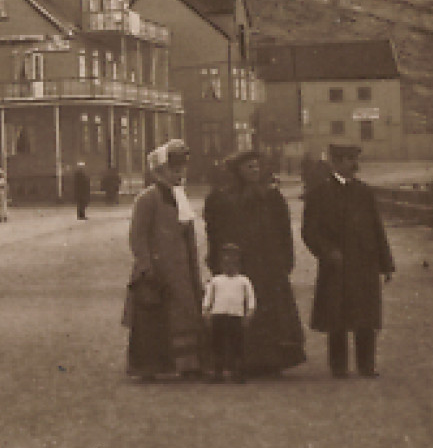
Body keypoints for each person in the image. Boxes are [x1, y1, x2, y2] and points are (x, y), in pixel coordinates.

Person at [203, 150, 306, 377]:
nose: (254, 171)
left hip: (269, 264)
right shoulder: (225, 198)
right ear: (238, 171)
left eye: (257, 166)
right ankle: (243, 360)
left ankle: (272, 360)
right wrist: (217, 260)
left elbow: (283, 231)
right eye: (249, 167)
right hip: (242, 263)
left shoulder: (271, 197)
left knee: (271, 311)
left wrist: (286, 258)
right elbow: (215, 232)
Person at [302, 144, 395, 378]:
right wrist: (327, 252)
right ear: (335, 162)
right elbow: (309, 231)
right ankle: (338, 365)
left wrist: (385, 264)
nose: (354, 165)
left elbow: (376, 228)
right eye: (348, 160)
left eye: (354, 159)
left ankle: (366, 365)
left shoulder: (364, 191)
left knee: (366, 316)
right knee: (337, 317)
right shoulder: (319, 193)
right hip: (337, 264)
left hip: (365, 262)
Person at [123, 139, 206, 380]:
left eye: (181, 168)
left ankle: (187, 364)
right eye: (174, 168)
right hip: (156, 270)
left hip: (180, 270)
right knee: (154, 318)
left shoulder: (180, 197)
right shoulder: (147, 199)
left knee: (185, 314)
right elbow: (138, 237)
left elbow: (188, 235)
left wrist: (192, 267)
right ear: (159, 170)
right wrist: (146, 267)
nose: (179, 173)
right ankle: (149, 366)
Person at [202, 242, 257, 382]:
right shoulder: (216, 280)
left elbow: (251, 299)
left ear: (238, 264)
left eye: (233, 263)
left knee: (236, 345)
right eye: (226, 263)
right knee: (217, 345)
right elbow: (208, 298)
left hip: (236, 317)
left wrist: (249, 313)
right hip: (218, 316)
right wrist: (206, 312)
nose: (229, 267)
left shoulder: (244, 281)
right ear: (221, 264)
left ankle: (237, 372)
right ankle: (217, 372)